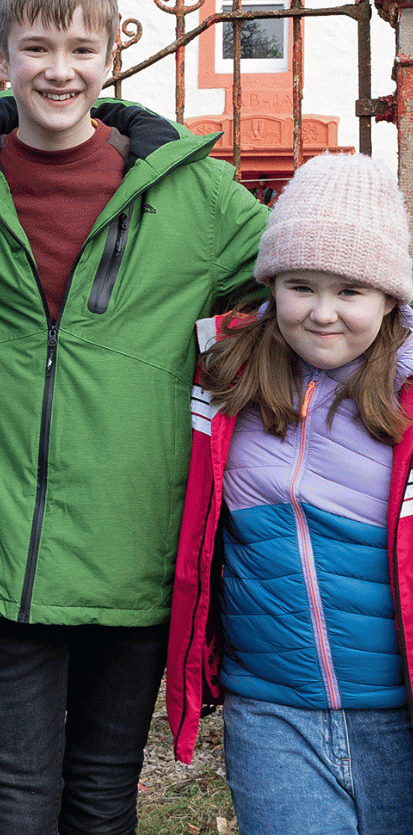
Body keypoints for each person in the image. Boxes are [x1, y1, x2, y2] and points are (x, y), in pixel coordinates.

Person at [0, 0, 270, 835]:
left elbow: (307, 273)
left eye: (79, 49)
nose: (58, 71)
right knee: (14, 801)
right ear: (0, 57)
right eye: (35, 47)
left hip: (134, 546)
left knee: (103, 797)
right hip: (3, 559)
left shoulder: (195, 198)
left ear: (112, 57)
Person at [166, 152, 413, 835]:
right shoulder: (226, 380)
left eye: (351, 291)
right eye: (301, 285)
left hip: (398, 714)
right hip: (271, 714)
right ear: (270, 286)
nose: (323, 313)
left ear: (390, 296)